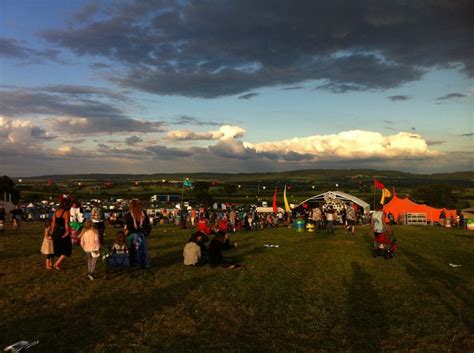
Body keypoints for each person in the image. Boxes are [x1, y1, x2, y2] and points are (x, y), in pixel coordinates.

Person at [124, 199, 151, 269]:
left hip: (138, 234)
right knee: (139, 243)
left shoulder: (142, 214)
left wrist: (145, 232)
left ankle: (137, 262)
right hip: (134, 234)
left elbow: (147, 225)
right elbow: (129, 227)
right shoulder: (130, 215)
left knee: (137, 243)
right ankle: (142, 262)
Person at [51, 197, 72, 270]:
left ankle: (55, 264)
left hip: (56, 231)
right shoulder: (66, 212)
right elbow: (66, 223)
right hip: (62, 231)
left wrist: (52, 231)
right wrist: (67, 232)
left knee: (58, 248)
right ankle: (56, 264)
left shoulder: (56, 211)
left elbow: (53, 222)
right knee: (67, 249)